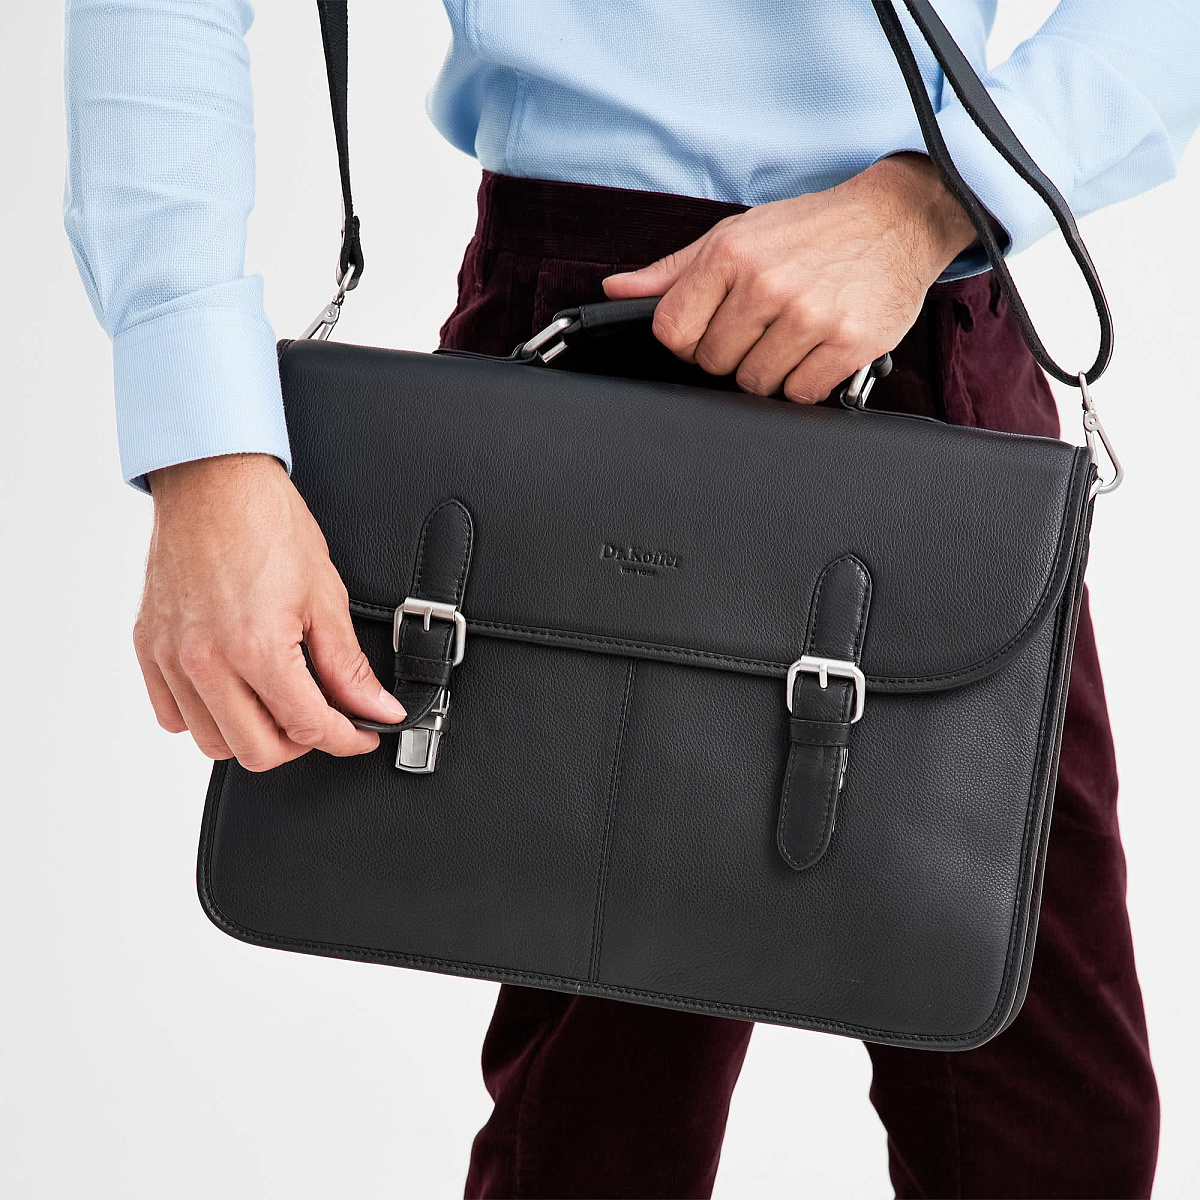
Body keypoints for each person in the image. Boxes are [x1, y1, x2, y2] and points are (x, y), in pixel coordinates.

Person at [64, 2, 1199, 1196]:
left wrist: (934, 201)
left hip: (921, 290)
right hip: (608, 325)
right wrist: (206, 453)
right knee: (601, 1135)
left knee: (1053, 1130)